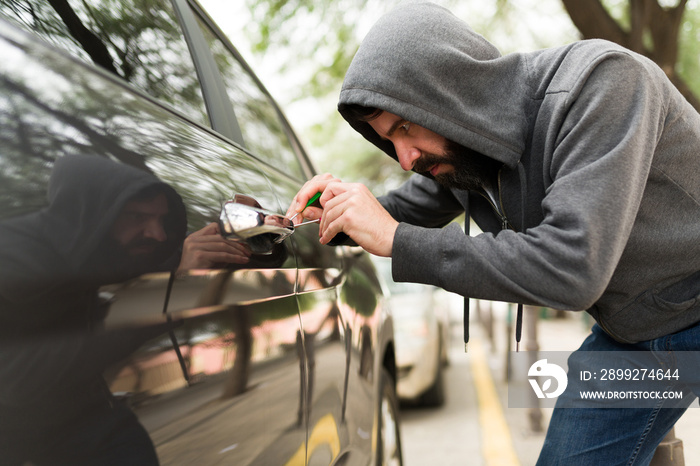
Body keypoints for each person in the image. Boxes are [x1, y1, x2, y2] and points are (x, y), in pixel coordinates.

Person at [287, 2, 700, 464]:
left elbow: (570, 267)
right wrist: (311, 218)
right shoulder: (466, 157)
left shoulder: (604, 83)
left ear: (448, 92)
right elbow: (395, 212)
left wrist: (398, 241)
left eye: (405, 126)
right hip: (634, 336)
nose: (404, 159)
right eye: (389, 139)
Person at [0, 154, 243, 464]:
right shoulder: (14, 257)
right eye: (137, 217)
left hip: (99, 419)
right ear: (92, 214)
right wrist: (175, 294)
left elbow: (166, 263)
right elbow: (18, 378)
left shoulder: (103, 246)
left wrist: (245, 233)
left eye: (160, 219)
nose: (157, 234)